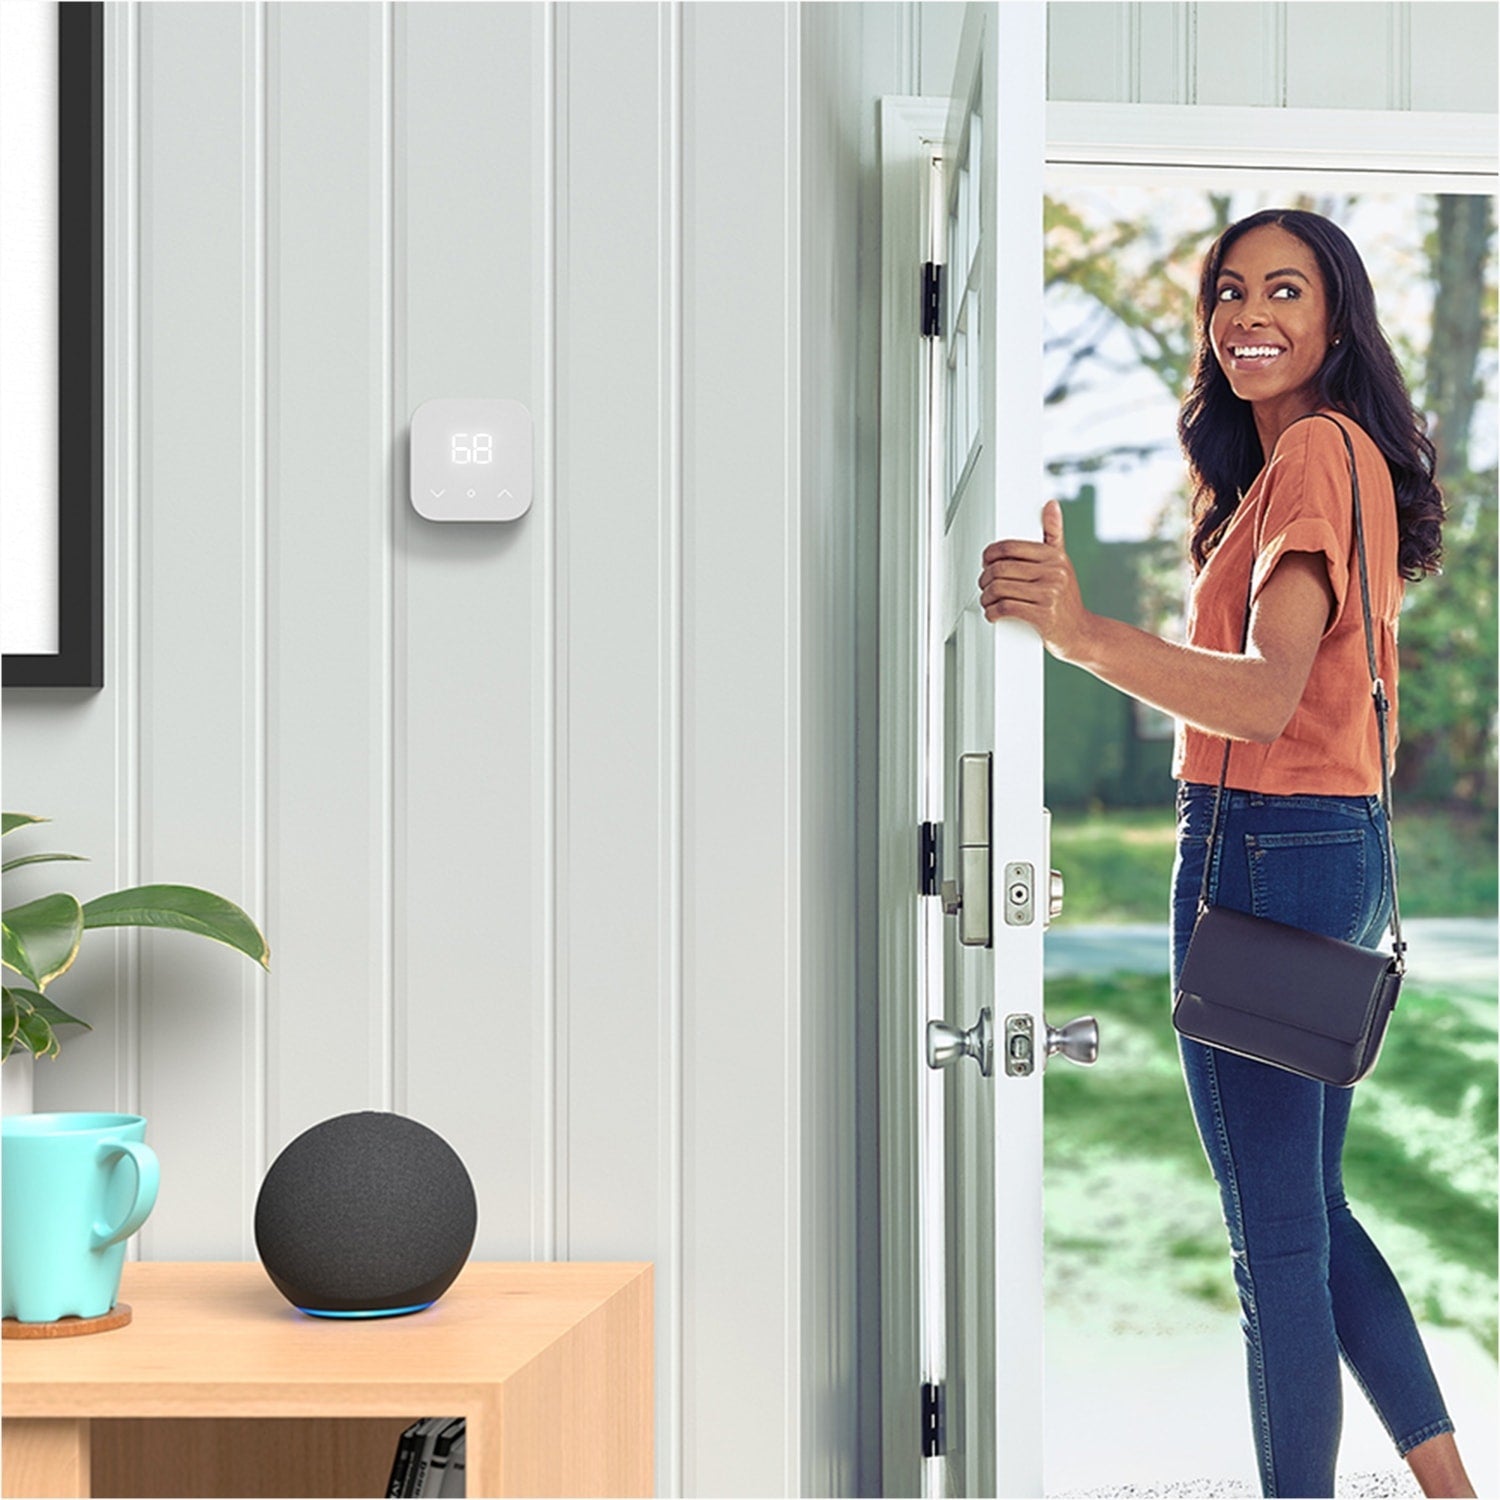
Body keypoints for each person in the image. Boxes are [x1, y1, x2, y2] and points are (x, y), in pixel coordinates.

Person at [976, 208, 1477, 1499]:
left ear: (1336, 318)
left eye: (1287, 291)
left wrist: (1080, 634)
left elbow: (1259, 697)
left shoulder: (1314, 450)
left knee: (1275, 1249)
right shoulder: (1334, 459)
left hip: (1262, 842)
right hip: (1332, 842)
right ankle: (1451, 1489)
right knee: (1311, 1217)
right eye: (1229, 291)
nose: (1250, 313)